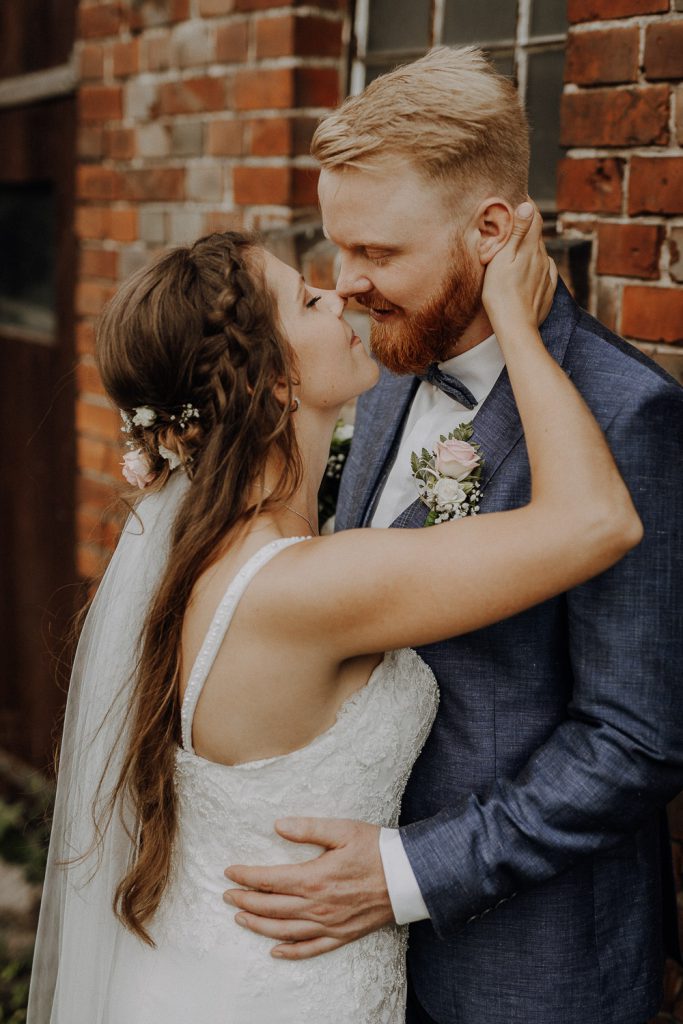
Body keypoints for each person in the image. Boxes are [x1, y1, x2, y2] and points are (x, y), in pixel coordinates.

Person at [28, 214, 641, 1024]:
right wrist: (519, 330)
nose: (338, 290)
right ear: (272, 382)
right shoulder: (301, 589)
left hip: (211, 960)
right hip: (279, 990)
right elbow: (598, 522)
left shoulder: (200, 547)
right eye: (306, 301)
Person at [223, 48, 683, 1024]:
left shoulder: (627, 415)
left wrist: (399, 871)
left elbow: (634, 739)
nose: (344, 285)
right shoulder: (389, 363)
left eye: (378, 254)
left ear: (489, 232)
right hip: (355, 963)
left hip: (530, 973)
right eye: (334, 247)